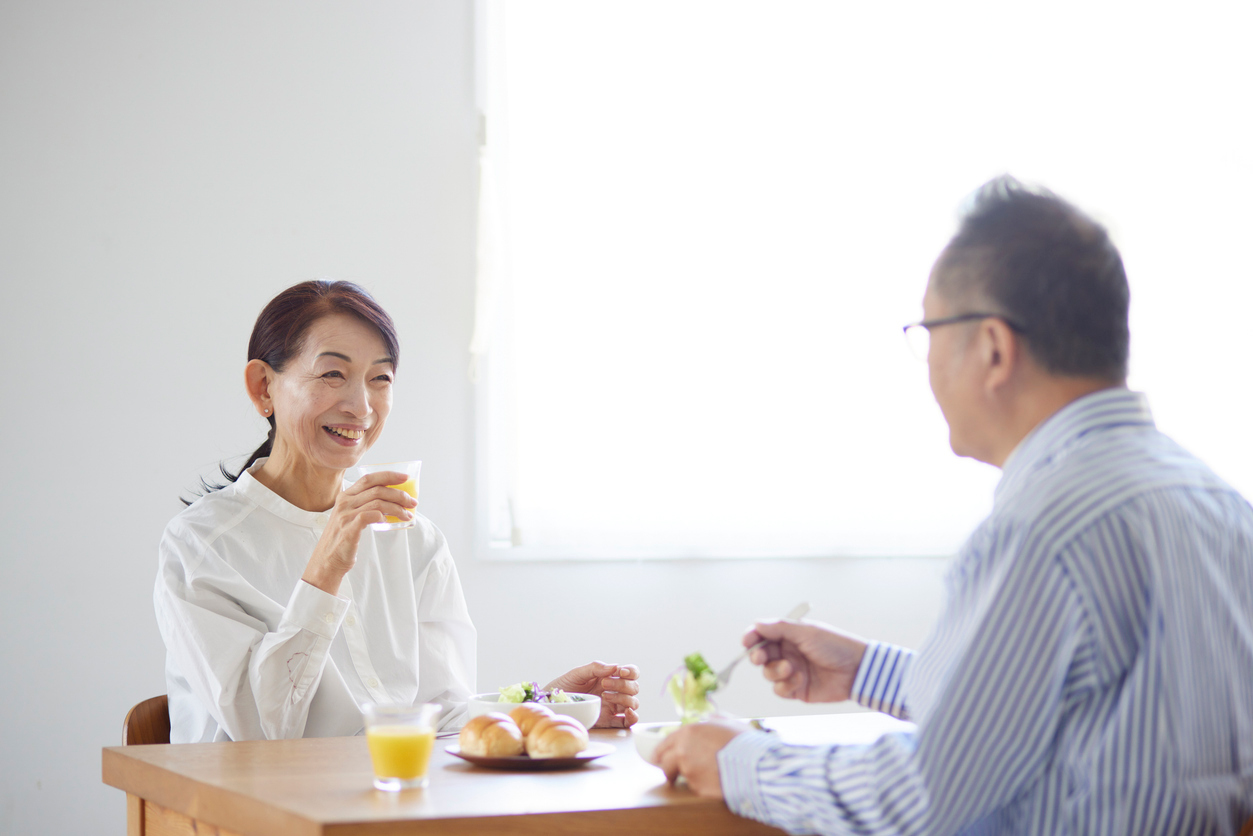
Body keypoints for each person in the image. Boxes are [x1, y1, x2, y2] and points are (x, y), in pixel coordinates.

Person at [655, 177, 1253, 834]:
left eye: (929, 331)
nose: (928, 363)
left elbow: (925, 795)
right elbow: (1073, 720)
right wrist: (866, 670)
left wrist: (740, 761)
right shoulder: (1219, 506)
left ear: (993, 348)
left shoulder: (1042, 528)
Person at [155, 280, 639, 742]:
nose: (361, 406)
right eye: (332, 374)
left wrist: (550, 710)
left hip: (387, 790)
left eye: (380, 379)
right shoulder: (201, 545)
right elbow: (260, 733)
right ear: (263, 386)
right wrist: (327, 566)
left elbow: (444, 718)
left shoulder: (414, 540)